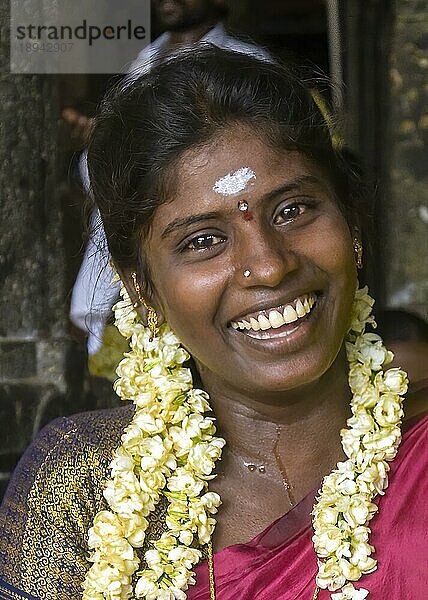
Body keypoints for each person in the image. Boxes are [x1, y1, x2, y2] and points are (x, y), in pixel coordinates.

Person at [0, 47, 426, 600]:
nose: (270, 266)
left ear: (352, 224)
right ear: (142, 289)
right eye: (204, 241)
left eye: (293, 210)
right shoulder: (81, 485)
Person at [68, 0, 270, 358]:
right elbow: (106, 178)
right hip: (123, 276)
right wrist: (103, 145)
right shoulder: (145, 60)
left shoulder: (246, 63)